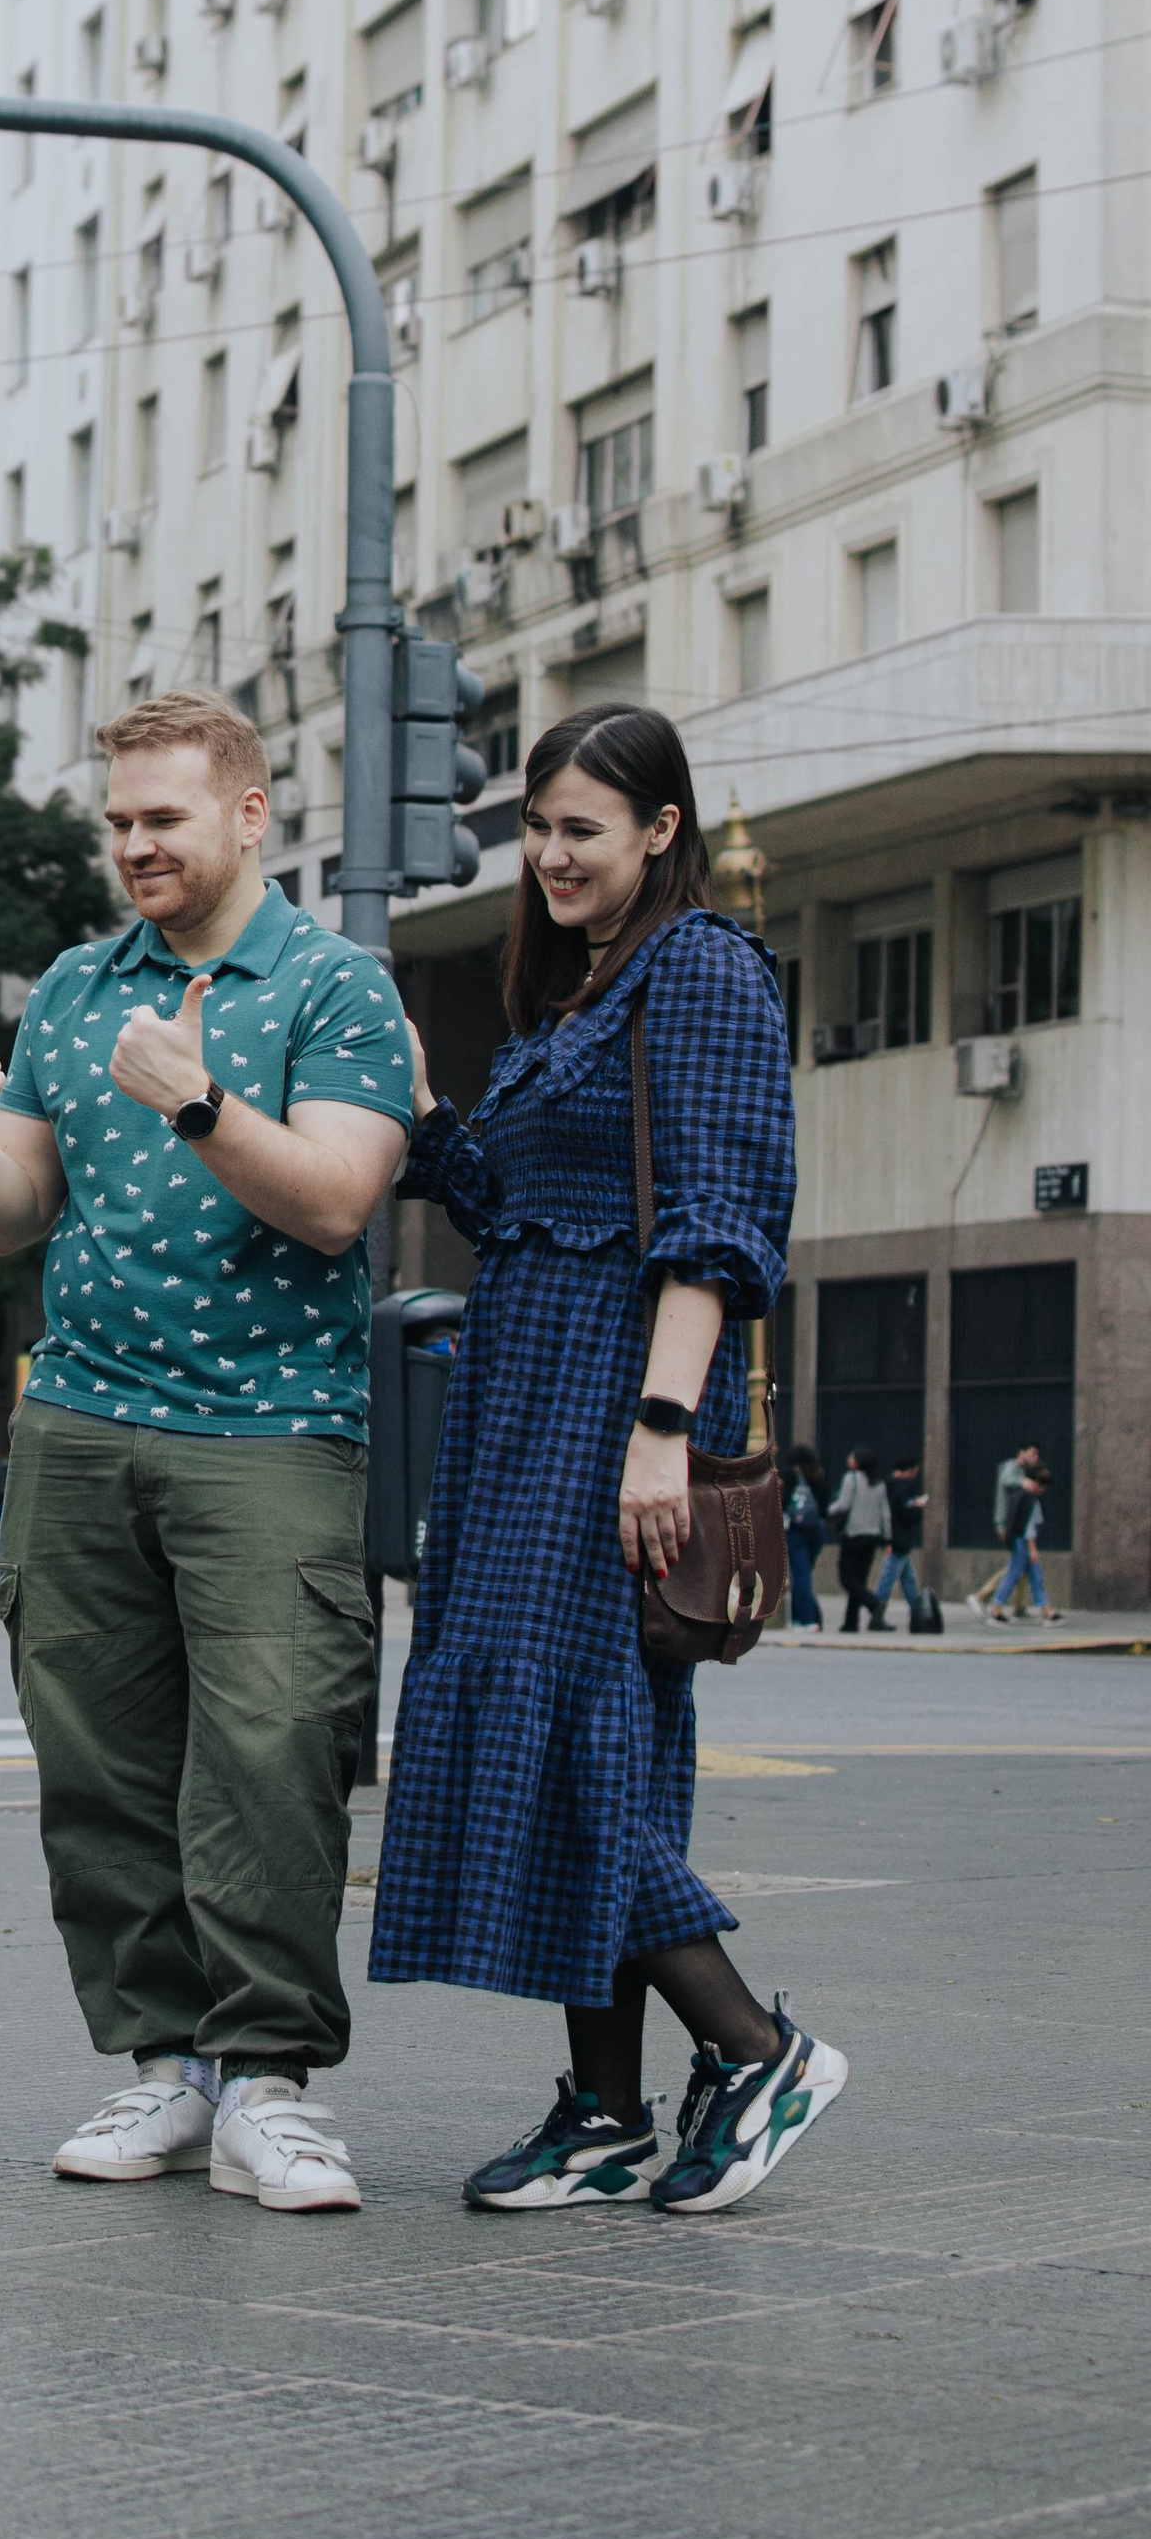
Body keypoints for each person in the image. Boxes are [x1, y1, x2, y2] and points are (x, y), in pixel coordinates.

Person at [0, 688, 412, 2215]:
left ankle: (270, 2082)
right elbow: (15, 1212)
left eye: (165, 819)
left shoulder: (337, 988)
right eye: (118, 820)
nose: (134, 844)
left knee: (271, 1756)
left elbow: (336, 1201)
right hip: (79, 1425)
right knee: (101, 1763)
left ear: (250, 815)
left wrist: (196, 1099)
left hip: (269, 1434)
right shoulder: (76, 988)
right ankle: (167, 2067)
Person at [374, 705, 848, 2217]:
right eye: (539, 826)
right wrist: (426, 1103)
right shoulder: (585, 994)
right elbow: (507, 1202)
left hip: (612, 1412)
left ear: (662, 830)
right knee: (576, 1737)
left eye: (584, 827)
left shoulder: (701, 969)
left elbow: (718, 1224)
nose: (552, 854)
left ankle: (757, 2050)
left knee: (574, 1744)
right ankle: (603, 2111)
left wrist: (657, 1437)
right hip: (527, 1410)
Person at [982, 1447, 1059, 1622]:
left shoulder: (1020, 1497)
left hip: (1018, 1541)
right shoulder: (1028, 1500)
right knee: (1015, 1574)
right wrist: (1032, 1549)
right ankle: (996, 1607)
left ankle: (1047, 1609)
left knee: (1033, 1575)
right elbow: (1028, 1528)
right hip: (1022, 1543)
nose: (1042, 1491)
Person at [826, 1449, 893, 1634]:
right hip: (872, 1537)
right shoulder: (879, 1483)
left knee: (846, 1578)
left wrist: (827, 1511)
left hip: (853, 1535)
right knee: (859, 1580)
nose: (849, 1458)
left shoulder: (851, 1478)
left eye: (852, 1456)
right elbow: (885, 1513)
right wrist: (887, 1537)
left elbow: (843, 1504)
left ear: (858, 1462)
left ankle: (874, 1604)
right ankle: (850, 1622)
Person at [872, 1459, 929, 1629]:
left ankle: (916, 1615)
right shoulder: (902, 1489)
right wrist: (917, 1507)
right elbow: (905, 1515)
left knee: (908, 1579)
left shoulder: (885, 1485)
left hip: (893, 1539)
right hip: (898, 1540)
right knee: (888, 1579)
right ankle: (877, 1616)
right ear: (910, 1470)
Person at [783, 1447, 828, 1634]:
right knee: (804, 1574)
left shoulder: (792, 1478)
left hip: (797, 1531)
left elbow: (784, 1501)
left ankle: (806, 1619)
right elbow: (825, 1506)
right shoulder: (818, 1476)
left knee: (800, 1576)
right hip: (817, 1530)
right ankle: (799, 1618)